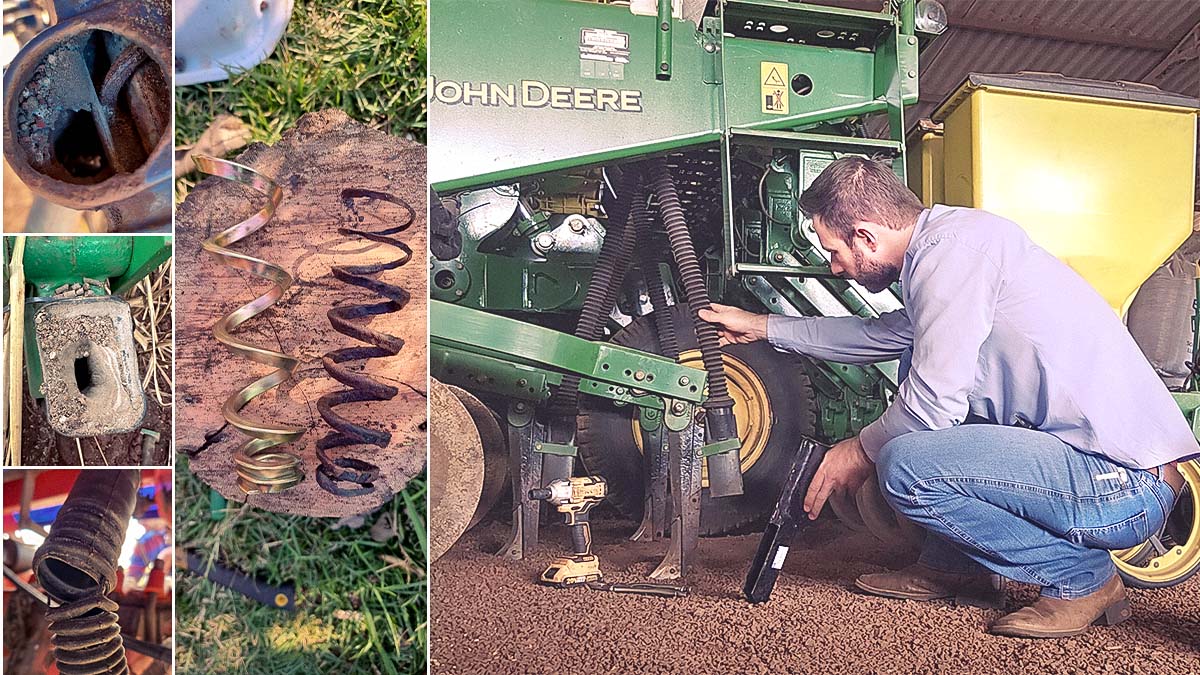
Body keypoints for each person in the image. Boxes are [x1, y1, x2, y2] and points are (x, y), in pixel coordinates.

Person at [700, 156, 1196, 638]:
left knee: (905, 463)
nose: (837, 266)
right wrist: (762, 326)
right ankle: (954, 568)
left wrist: (857, 449)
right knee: (917, 442)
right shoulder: (945, 250)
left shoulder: (955, 252)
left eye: (835, 250)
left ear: (866, 236)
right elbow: (876, 337)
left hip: (1122, 485)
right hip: (1097, 470)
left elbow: (932, 406)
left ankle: (1084, 580)